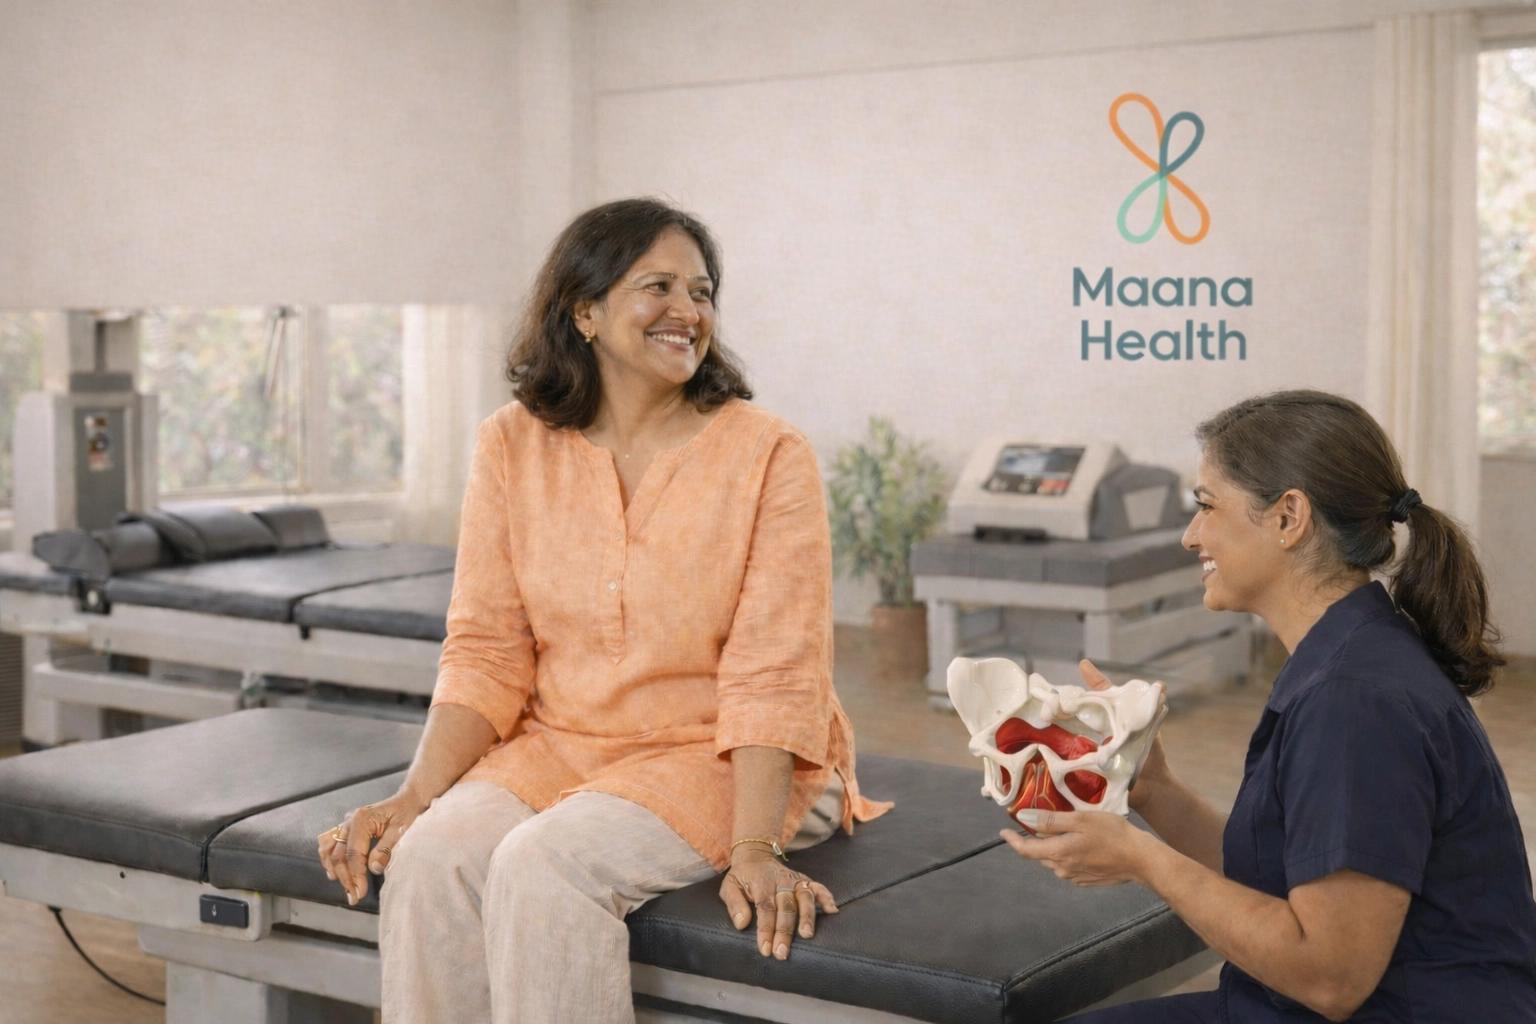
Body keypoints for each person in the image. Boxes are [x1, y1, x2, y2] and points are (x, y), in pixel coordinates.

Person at [315, 197, 890, 1023]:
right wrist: (412, 798)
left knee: (544, 864)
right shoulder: (511, 443)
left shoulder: (768, 453)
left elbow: (776, 671)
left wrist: (755, 848)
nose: (688, 311)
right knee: (433, 855)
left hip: (718, 756)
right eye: (658, 286)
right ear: (584, 311)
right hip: (562, 744)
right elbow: (486, 648)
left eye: (701, 292)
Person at [1003, 390, 1536, 1022]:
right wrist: (1153, 789)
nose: (1190, 536)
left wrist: (1143, 860)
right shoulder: (1349, 657)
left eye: (1206, 506)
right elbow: (1277, 878)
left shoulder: (1354, 702)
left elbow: (1331, 978)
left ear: (1288, 517)